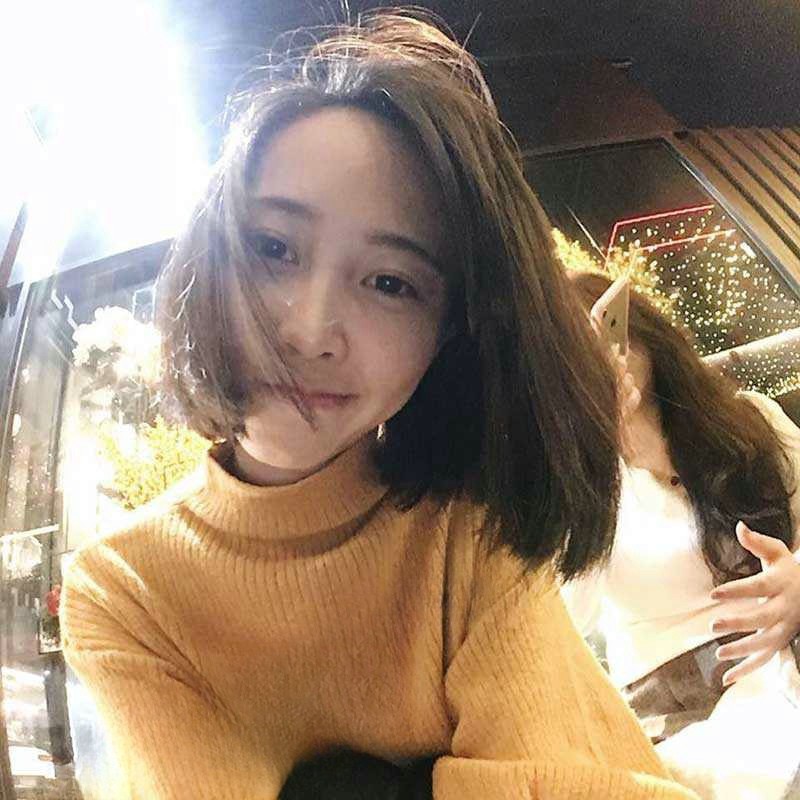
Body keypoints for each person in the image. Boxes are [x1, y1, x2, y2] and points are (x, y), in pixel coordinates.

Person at [60, 12, 697, 800]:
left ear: (446, 333)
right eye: (273, 248)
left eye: (390, 283)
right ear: (207, 260)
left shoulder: (465, 529)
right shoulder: (125, 590)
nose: (310, 331)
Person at [565, 271, 800, 799]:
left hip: (786, 644)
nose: (606, 356)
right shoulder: (583, 487)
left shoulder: (750, 421)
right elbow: (558, 616)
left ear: (644, 330)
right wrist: (589, 445)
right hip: (677, 700)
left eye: (609, 330)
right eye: (576, 350)